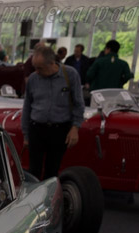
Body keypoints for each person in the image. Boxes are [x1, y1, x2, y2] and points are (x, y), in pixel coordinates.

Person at [21, 44, 84, 180]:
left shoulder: (70, 75)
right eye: (35, 68)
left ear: (52, 63)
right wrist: (26, 135)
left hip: (59, 130)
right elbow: (27, 107)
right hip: (36, 129)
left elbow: (79, 104)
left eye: (40, 68)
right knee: (33, 171)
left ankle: (50, 199)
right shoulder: (33, 79)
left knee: (52, 170)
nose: (37, 71)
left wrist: (75, 128)